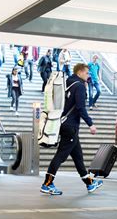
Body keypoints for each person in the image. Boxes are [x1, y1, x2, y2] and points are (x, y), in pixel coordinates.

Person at [41, 63, 102, 195]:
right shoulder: (79, 86)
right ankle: (47, 183)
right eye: (87, 73)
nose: (89, 75)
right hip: (71, 126)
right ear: (80, 72)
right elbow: (80, 107)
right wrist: (90, 124)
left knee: (78, 156)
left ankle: (89, 183)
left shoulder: (67, 83)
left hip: (64, 123)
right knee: (60, 155)